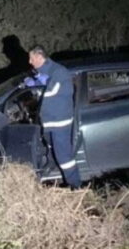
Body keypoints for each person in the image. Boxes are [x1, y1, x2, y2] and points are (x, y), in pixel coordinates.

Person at [29, 45, 81, 189]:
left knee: (64, 158)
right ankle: (53, 168)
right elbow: (42, 86)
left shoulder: (59, 72)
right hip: (49, 122)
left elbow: (53, 90)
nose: (29, 61)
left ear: (39, 57)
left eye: (31, 58)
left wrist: (41, 83)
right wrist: (33, 83)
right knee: (51, 149)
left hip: (59, 122)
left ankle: (76, 187)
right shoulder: (45, 72)